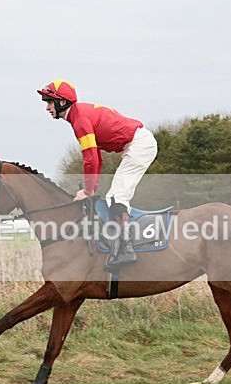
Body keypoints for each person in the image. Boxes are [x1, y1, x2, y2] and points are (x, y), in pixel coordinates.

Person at [37, 80, 158, 269]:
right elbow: (97, 158)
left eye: (49, 102)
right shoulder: (78, 116)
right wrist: (91, 189)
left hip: (139, 145)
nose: (47, 108)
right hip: (136, 144)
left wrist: (87, 190)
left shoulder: (80, 120)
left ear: (62, 102)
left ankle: (126, 249)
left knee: (117, 196)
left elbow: (91, 158)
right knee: (114, 195)